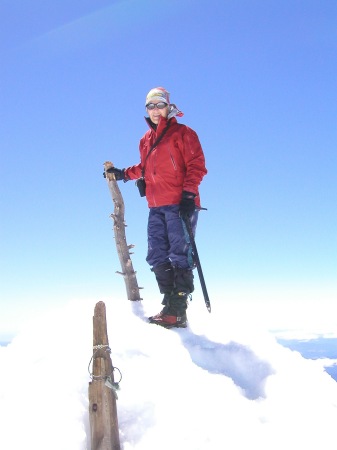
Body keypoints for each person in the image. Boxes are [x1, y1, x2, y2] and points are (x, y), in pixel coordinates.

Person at [106, 87, 207, 328]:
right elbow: (145, 167)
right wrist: (123, 174)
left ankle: (178, 311)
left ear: (168, 107)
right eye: (150, 106)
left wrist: (188, 193)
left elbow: (197, 165)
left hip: (180, 204)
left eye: (159, 105)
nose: (154, 110)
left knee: (180, 255)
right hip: (156, 206)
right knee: (156, 255)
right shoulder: (146, 139)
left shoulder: (184, 133)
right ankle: (169, 305)